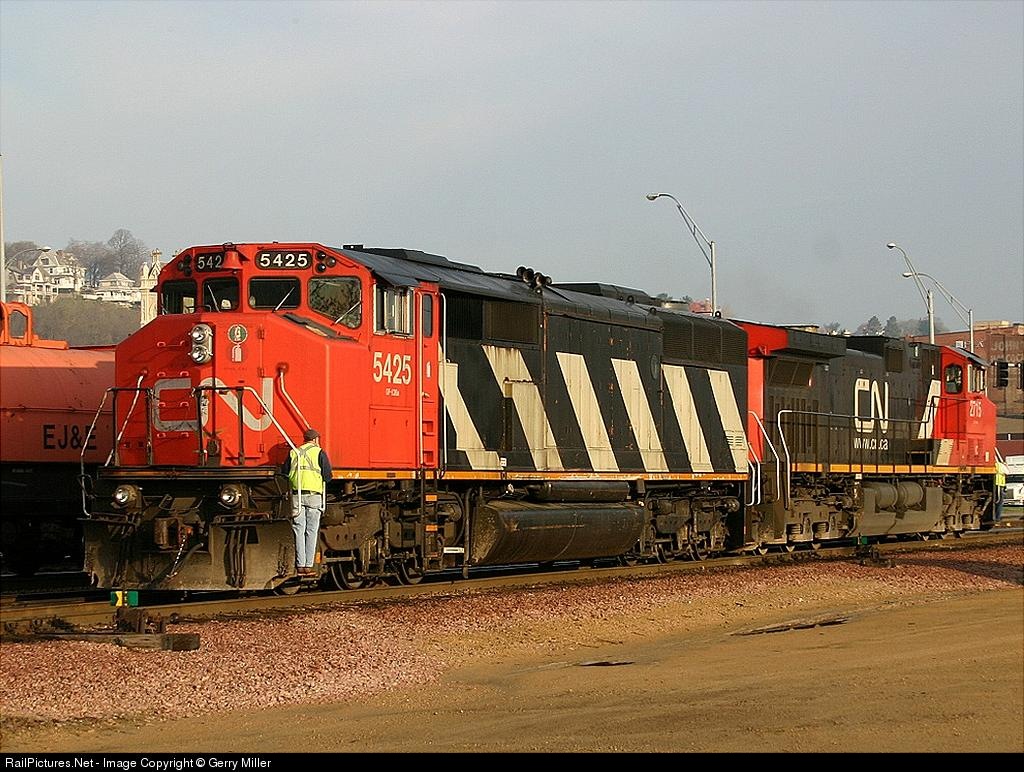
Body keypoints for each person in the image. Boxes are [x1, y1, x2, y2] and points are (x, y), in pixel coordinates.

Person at [282, 427, 332, 574]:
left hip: (297, 496)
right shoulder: (319, 452)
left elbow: (284, 473)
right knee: (311, 531)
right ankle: (308, 566)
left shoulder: (293, 452)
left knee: (298, 530)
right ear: (315, 439)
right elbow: (328, 476)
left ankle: (300, 564)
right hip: (314, 496)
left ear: (304, 440)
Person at [994, 459, 1008, 523]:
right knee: (999, 502)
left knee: (996, 501)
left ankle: (996, 517)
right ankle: (997, 518)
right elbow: (1007, 472)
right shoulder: (1001, 465)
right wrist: (1005, 465)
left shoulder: (995, 465)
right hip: (1000, 485)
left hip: (995, 484)